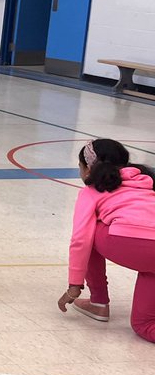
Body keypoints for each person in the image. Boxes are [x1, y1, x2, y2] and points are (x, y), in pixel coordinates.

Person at [58, 138, 155, 341]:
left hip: (130, 244)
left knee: (91, 231)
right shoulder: (147, 184)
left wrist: (74, 284)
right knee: (144, 324)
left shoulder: (92, 192)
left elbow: (80, 240)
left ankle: (99, 302)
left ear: (87, 169)